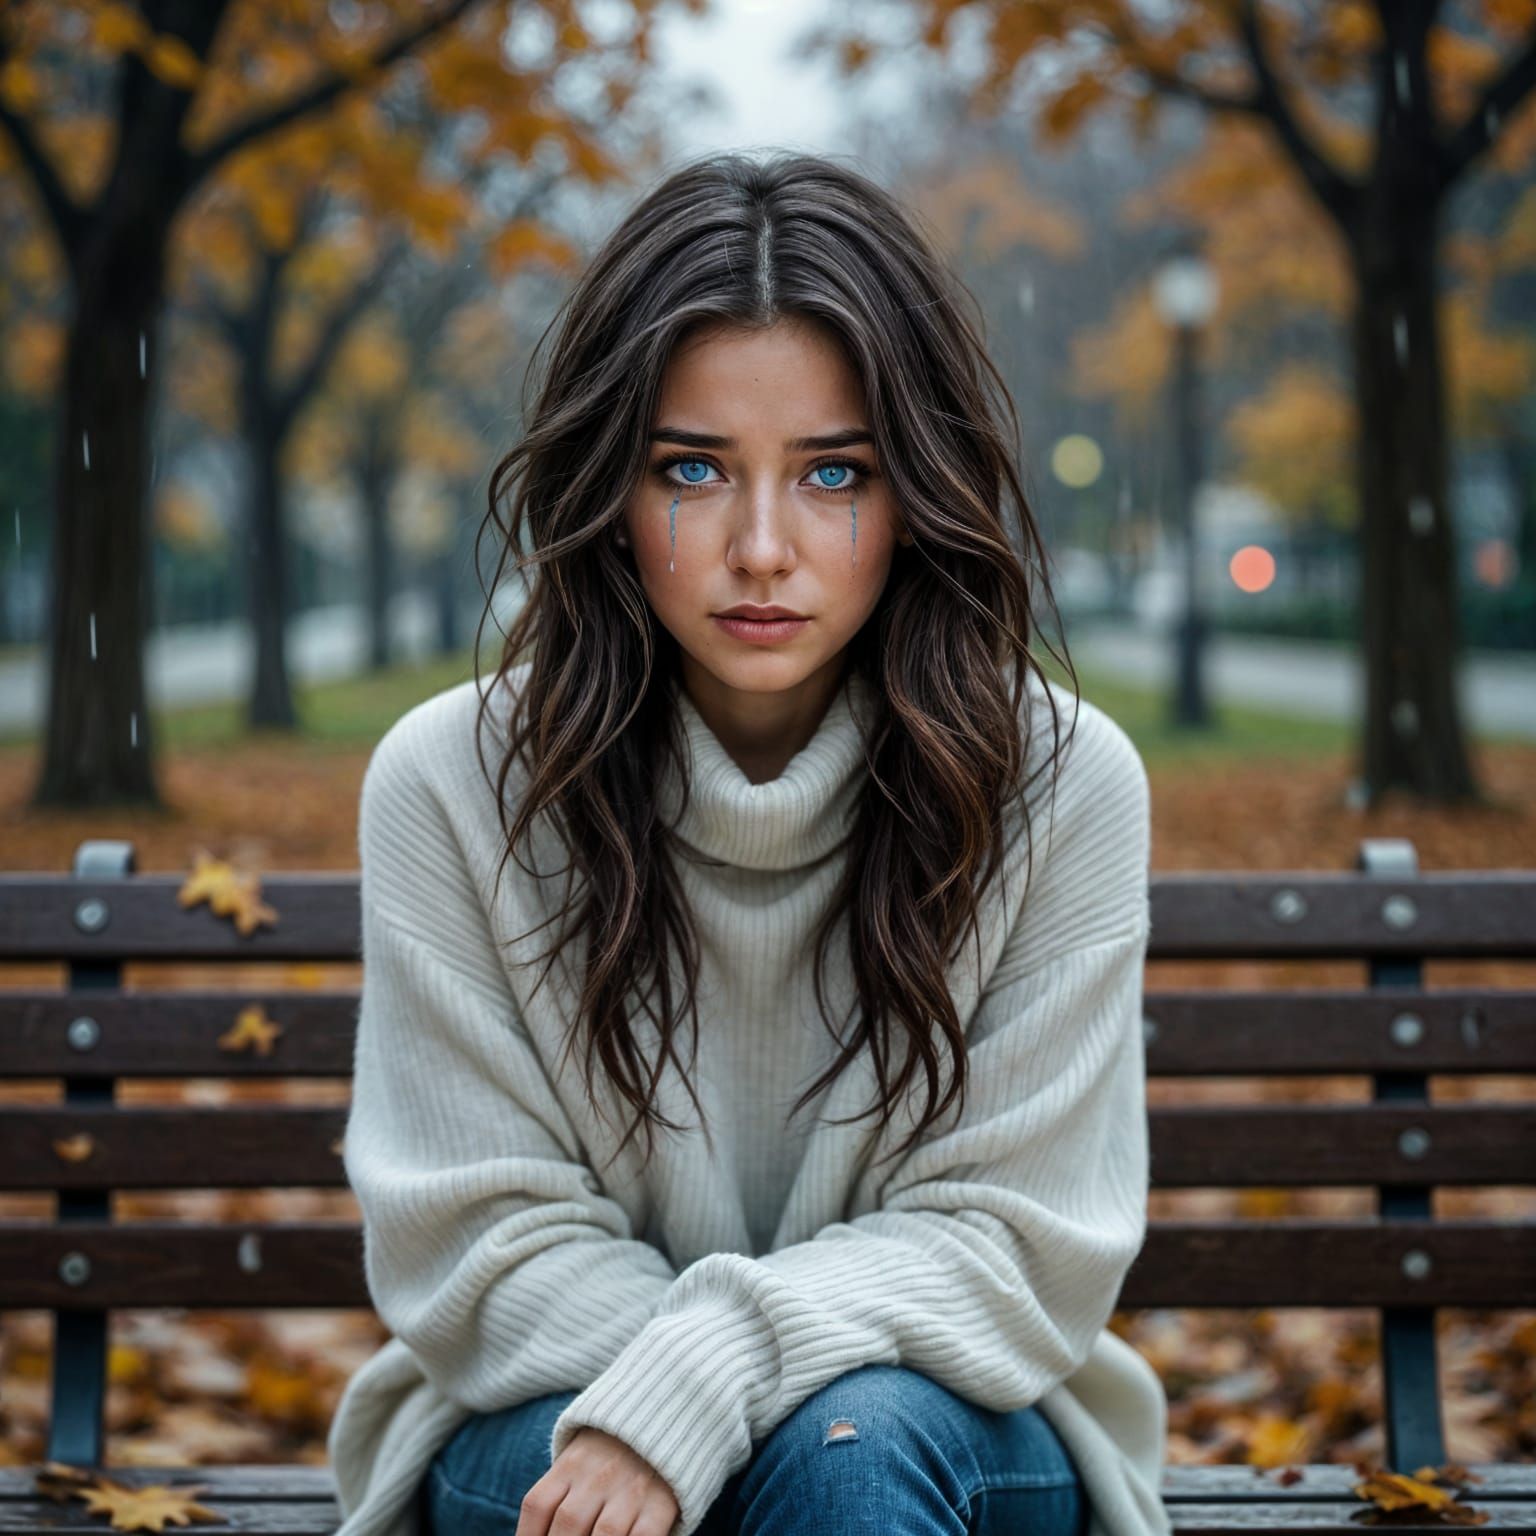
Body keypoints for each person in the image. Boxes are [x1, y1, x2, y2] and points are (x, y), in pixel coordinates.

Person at [325, 149, 1169, 1536]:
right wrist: (669, 1406)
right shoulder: (452, 783)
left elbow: (1015, 1249)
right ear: (610, 488)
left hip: (938, 1418)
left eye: (835, 472)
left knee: (847, 1450)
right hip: (550, 1394)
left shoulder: (1060, 785)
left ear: (918, 492)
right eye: (695, 469)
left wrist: (717, 1372)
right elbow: (473, 1246)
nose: (762, 547)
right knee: (630, 1472)